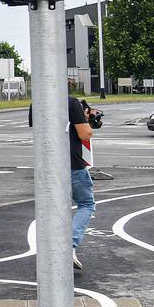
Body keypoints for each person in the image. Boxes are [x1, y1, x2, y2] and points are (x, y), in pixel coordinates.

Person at [67, 92, 95, 272]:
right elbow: (85, 134)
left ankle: (50, 249)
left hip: (46, 166)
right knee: (86, 204)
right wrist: (86, 120)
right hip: (72, 163)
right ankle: (69, 245)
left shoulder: (38, 100)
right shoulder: (71, 102)